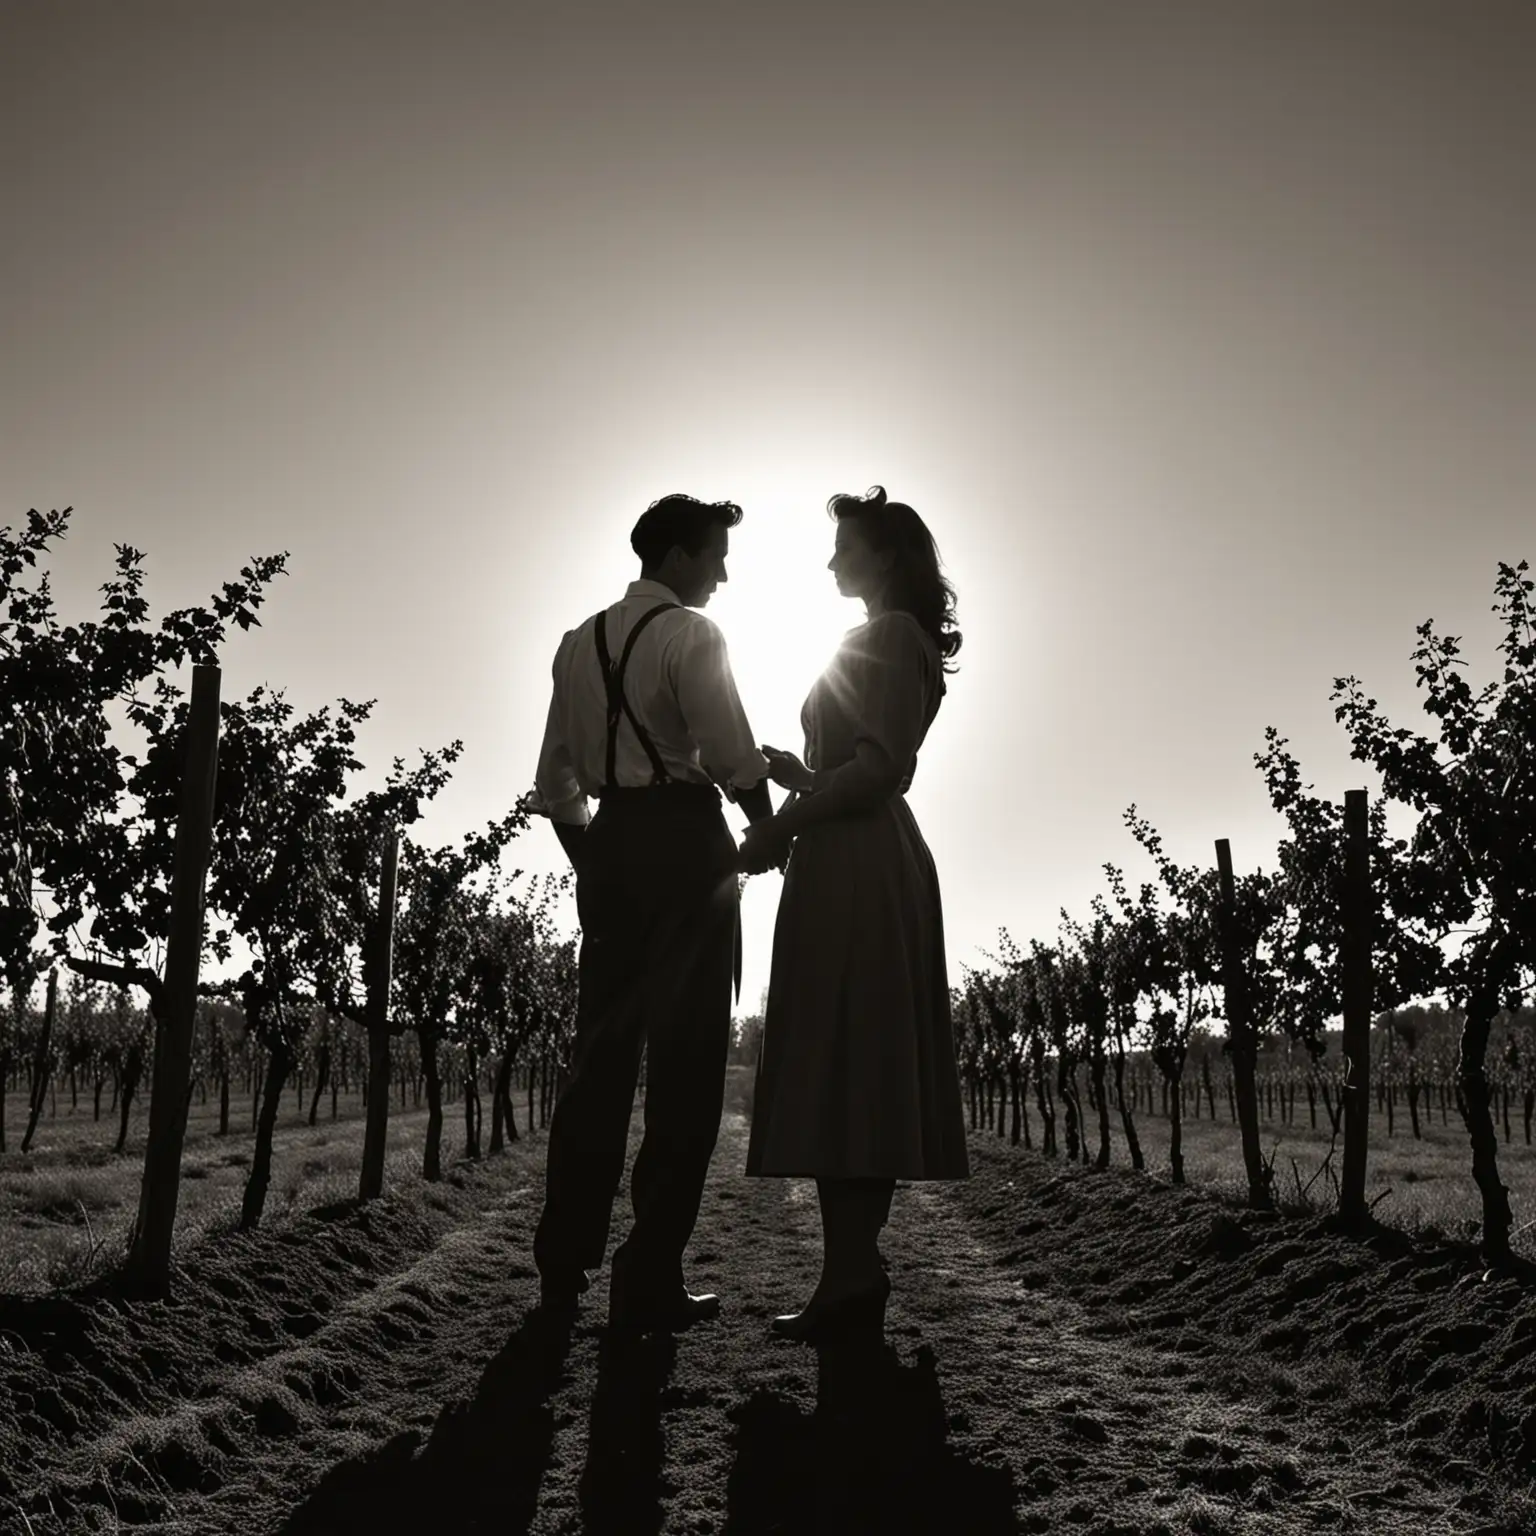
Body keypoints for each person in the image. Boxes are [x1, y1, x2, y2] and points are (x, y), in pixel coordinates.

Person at [527, 493, 775, 1331]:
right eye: (715, 556)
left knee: (597, 1063)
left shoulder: (574, 646)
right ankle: (649, 1272)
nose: (723, 572)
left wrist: (595, 862)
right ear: (676, 556)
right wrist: (766, 827)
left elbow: (556, 783)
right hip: (684, 848)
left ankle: (563, 1266)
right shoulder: (691, 636)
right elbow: (732, 752)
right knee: (687, 1070)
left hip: (613, 849)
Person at [738, 485, 970, 1342]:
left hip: (861, 862)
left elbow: (880, 770)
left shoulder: (893, 636)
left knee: (857, 1064)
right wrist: (799, 775)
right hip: (842, 854)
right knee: (845, 1066)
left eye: (846, 546)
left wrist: (786, 822)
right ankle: (849, 1275)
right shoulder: (874, 638)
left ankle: (853, 1275)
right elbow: (855, 764)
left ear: (888, 555)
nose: (831, 561)